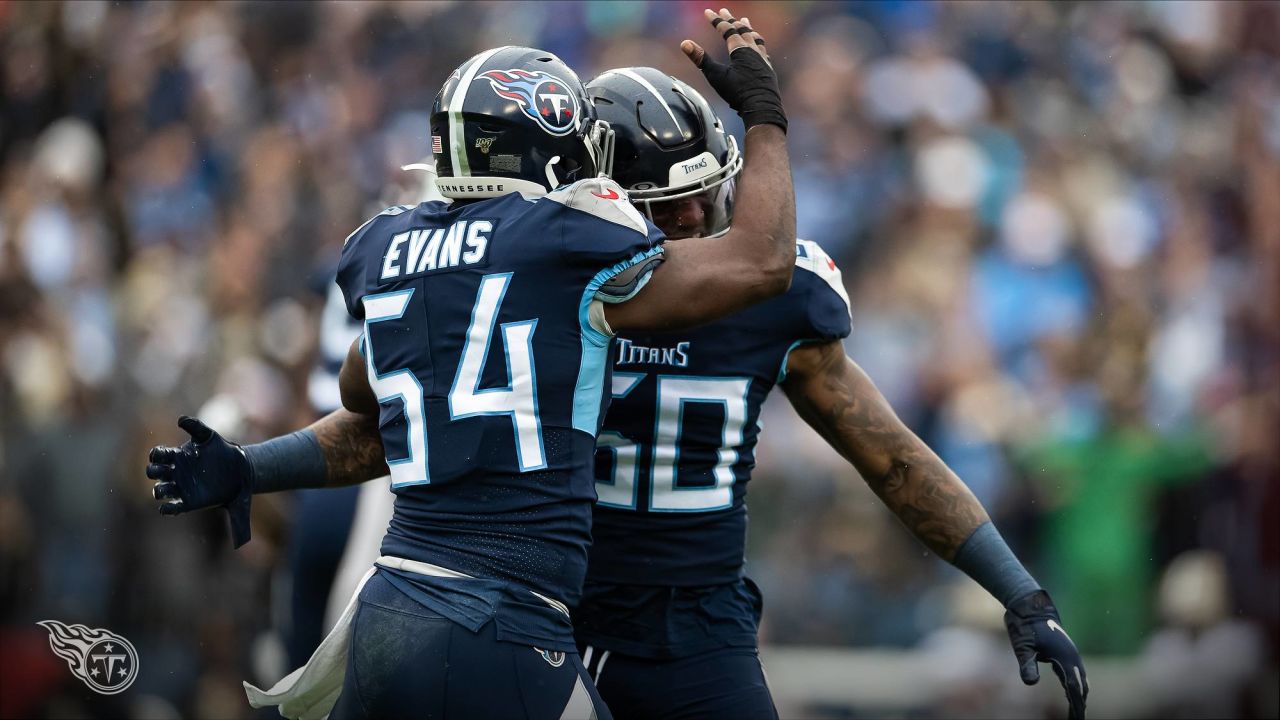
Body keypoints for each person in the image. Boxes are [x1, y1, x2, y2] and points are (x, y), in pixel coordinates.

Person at [146, 10, 794, 719]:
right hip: (503, 623)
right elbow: (761, 261)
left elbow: (363, 392)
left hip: (387, 607)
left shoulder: (387, 242)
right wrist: (764, 113)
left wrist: (251, 465)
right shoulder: (567, 238)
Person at [571, 62, 1089, 720]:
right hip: (560, 620)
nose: (697, 214)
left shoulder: (775, 299)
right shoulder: (549, 284)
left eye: (706, 191)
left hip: (702, 634)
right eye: (668, 204)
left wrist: (1020, 593)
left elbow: (892, 455)